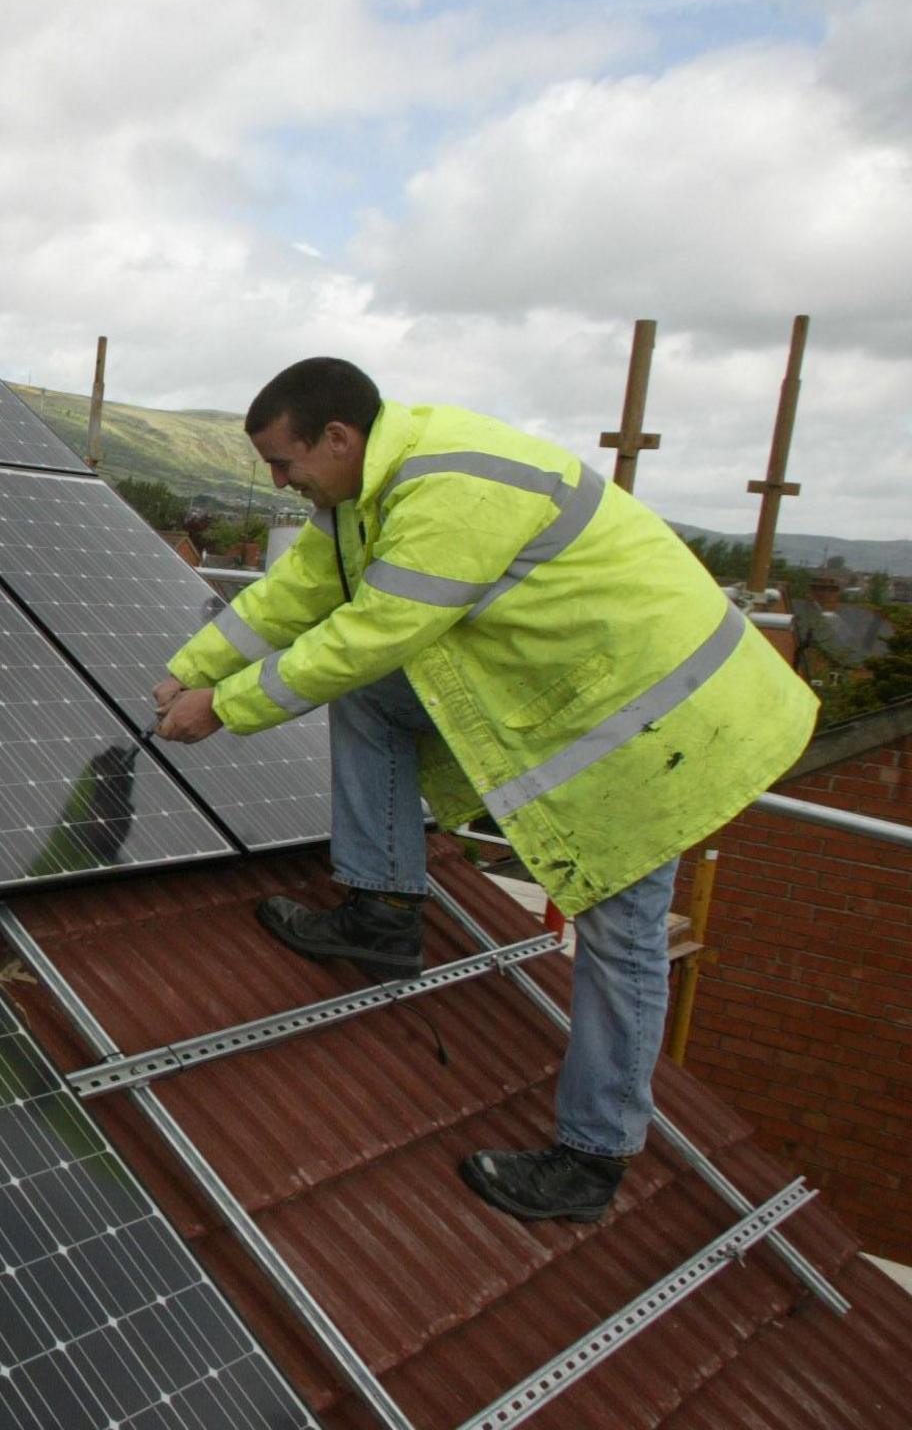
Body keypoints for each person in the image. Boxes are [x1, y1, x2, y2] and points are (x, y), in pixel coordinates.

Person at [150, 358, 815, 1224]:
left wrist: (227, 708)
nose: (280, 482)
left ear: (339, 437)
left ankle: (592, 1156)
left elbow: (375, 632)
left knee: (622, 936)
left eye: (287, 462)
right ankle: (385, 910)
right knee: (370, 700)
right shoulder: (365, 493)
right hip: (585, 690)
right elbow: (295, 594)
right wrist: (186, 672)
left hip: (663, 724)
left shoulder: (448, 491)